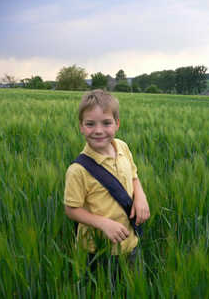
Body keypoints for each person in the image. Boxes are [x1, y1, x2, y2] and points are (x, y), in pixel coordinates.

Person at [64, 89, 150, 278]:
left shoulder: (122, 147)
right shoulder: (78, 170)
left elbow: (134, 176)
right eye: (90, 124)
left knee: (132, 287)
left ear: (117, 124)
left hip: (130, 244)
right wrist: (103, 223)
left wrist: (140, 196)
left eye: (106, 123)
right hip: (96, 250)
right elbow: (71, 209)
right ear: (81, 126)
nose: (98, 130)